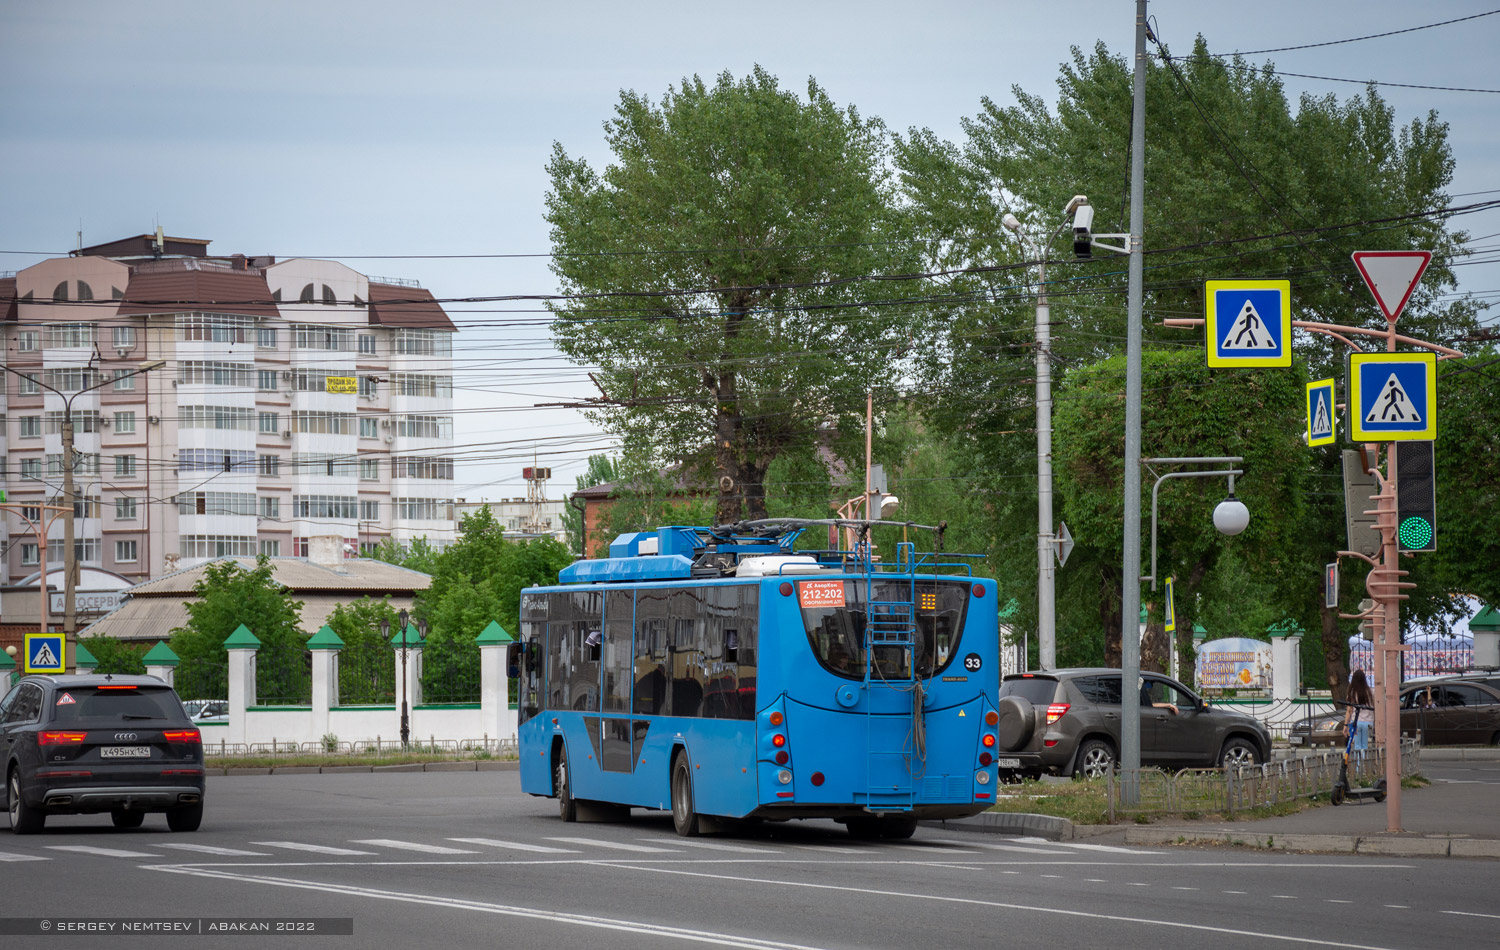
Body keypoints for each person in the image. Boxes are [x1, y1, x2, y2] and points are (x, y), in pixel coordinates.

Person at [1346, 670, 1374, 761]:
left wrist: (1346, 725)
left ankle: (1358, 768)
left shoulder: (1352, 692)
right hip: (1368, 722)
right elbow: (1374, 707)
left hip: (1356, 722)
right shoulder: (1370, 692)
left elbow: (1349, 710)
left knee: (1357, 746)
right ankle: (1365, 767)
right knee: (1365, 746)